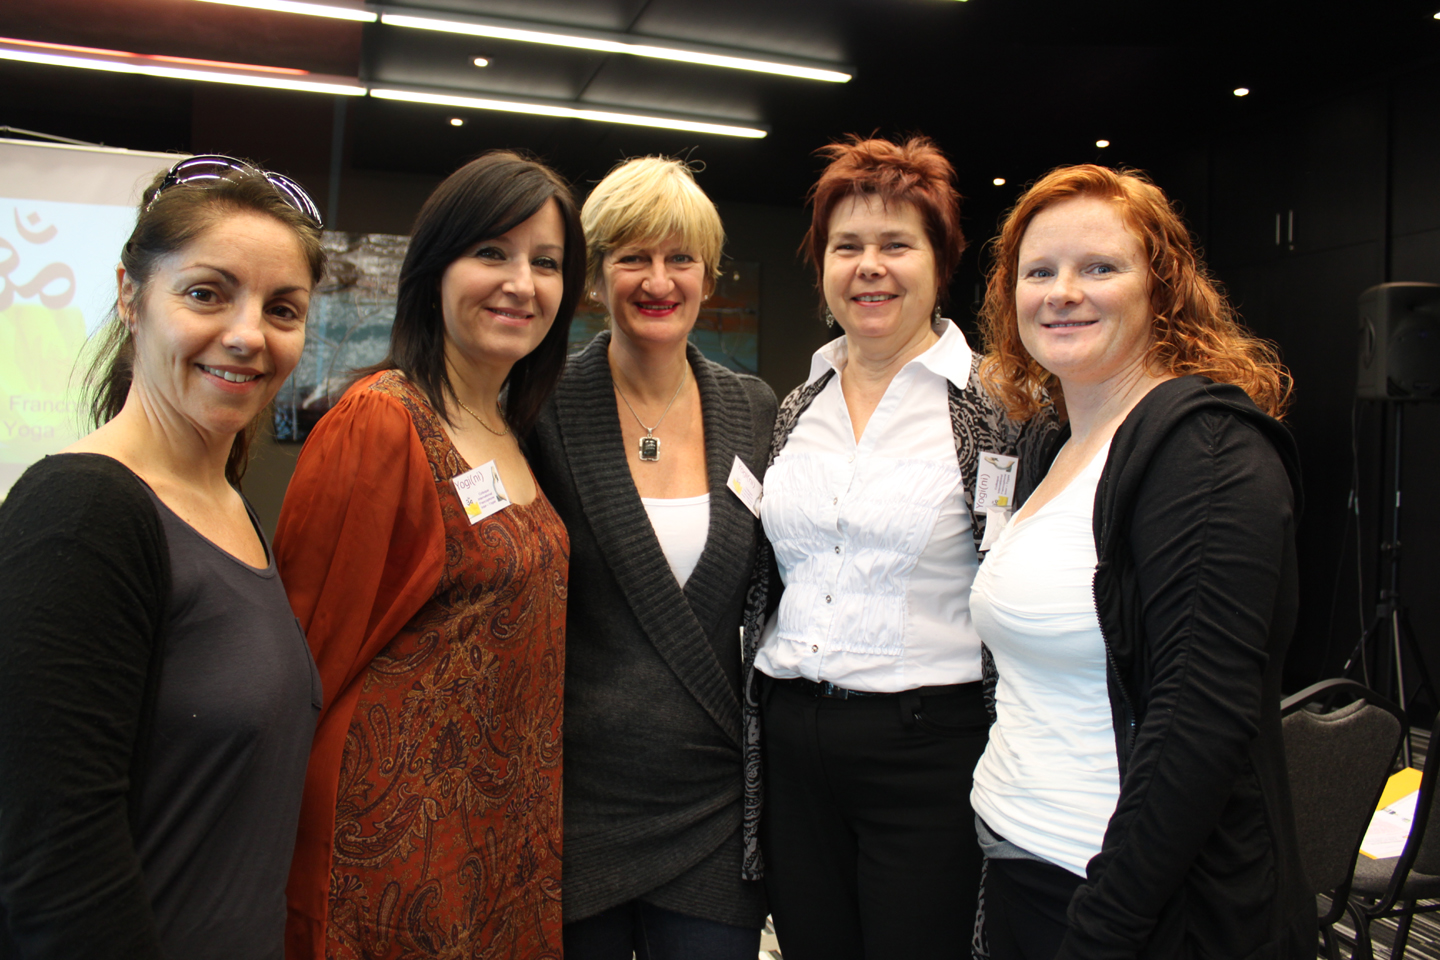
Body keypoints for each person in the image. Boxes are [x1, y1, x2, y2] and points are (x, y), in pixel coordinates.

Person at [968, 163, 1311, 959]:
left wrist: (1104, 929)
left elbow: (1199, 725)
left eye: (1100, 268)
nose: (1062, 291)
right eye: (1039, 271)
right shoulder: (1052, 441)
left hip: (1131, 906)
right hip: (1022, 866)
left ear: (1162, 289)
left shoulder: (1209, 453)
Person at [739, 134, 1057, 960]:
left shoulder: (1001, 408)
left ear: (939, 262)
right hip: (791, 739)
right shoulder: (795, 406)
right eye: (847, 246)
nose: (868, 266)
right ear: (821, 265)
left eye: (895, 245)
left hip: (929, 748)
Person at [0, 156, 327, 959]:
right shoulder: (83, 514)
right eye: (207, 293)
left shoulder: (230, 506)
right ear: (130, 297)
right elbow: (53, 866)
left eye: (282, 308)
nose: (249, 334)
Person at [273, 151, 583, 960]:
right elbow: (307, 653)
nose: (522, 281)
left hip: (499, 842)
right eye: (492, 252)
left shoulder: (514, 429)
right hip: (388, 852)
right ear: (435, 268)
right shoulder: (381, 419)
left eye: (546, 263)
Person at [524, 156, 777, 959]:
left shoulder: (755, 410)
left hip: (711, 806)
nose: (658, 280)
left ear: (709, 273)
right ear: (595, 276)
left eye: (681, 258)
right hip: (578, 804)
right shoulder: (537, 404)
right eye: (632, 256)